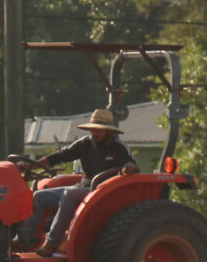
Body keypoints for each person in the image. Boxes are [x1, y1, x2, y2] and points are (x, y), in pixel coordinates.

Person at [24, 106, 138, 254]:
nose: (94, 133)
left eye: (98, 129)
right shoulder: (84, 144)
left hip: (101, 191)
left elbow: (133, 164)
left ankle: (51, 243)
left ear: (108, 130)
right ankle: (25, 240)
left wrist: (129, 167)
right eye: (93, 129)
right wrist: (30, 167)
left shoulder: (119, 148)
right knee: (39, 196)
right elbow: (57, 157)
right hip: (83, 187)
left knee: (70, 194)